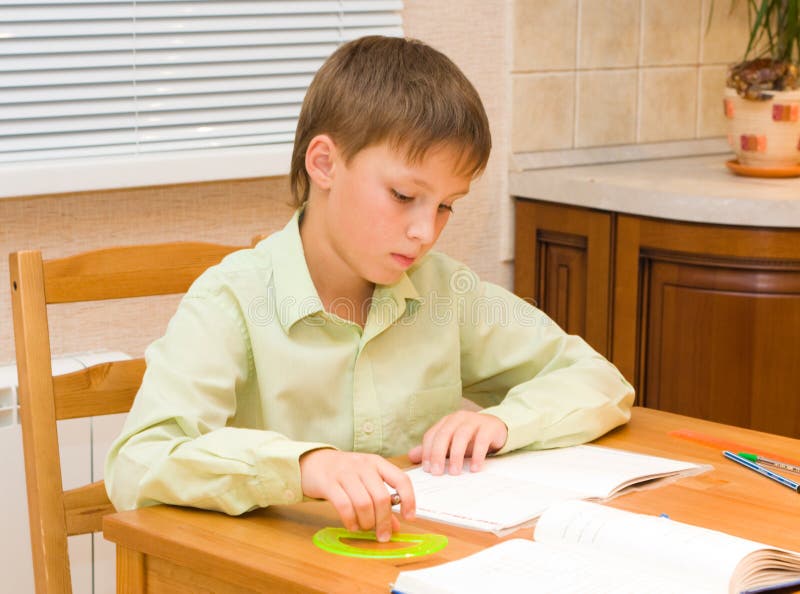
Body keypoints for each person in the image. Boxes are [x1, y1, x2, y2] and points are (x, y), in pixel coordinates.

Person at [105, 35, 634, 544]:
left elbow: (597, 380)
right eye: (404, 195)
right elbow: (140, 461)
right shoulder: (232, 300)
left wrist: (501, 421)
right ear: (325, 164)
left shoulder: (446, 292)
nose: (425, 231)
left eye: (446, 205)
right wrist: (304, 464)